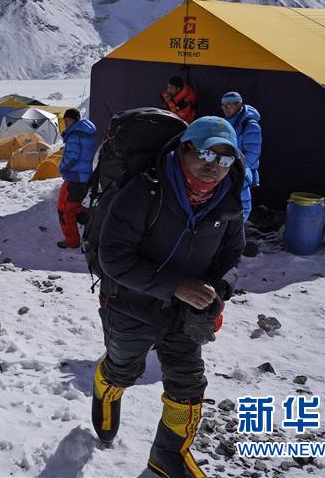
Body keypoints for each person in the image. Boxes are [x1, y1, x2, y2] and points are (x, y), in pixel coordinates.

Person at [93, 116, 244, 477]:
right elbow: (112, 257)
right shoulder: (145, 192)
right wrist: (174, 285)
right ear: (184, 149)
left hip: (185, 310)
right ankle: (106, 384)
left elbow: (232, 257)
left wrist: (218, 290)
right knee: (125, 368)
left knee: (189, 383)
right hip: (130, 302)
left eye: (225, 159)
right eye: (206, 154)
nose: (213, 167)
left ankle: (168, 457)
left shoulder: (229, 201)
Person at [57, 108, 99, 248]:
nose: (65, 124)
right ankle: (97, 225)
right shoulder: (88, 133)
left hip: (74, 177)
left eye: (65, 121)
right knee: (72, 208)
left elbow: (73, 156)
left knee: (65, 210)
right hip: (84, 177)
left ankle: (73, 241)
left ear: (69, 120)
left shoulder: (75, 134)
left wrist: (62, 168)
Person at [220, 91, 261, 222]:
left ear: (239, 105)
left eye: (229, 105)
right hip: (229, 169)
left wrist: (240, 170)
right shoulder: (226, 123)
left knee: (242, 205)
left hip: (242, 172)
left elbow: (253, 153)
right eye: (223, 105)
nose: (225, 108)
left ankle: (238, 230)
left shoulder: (250, 125)